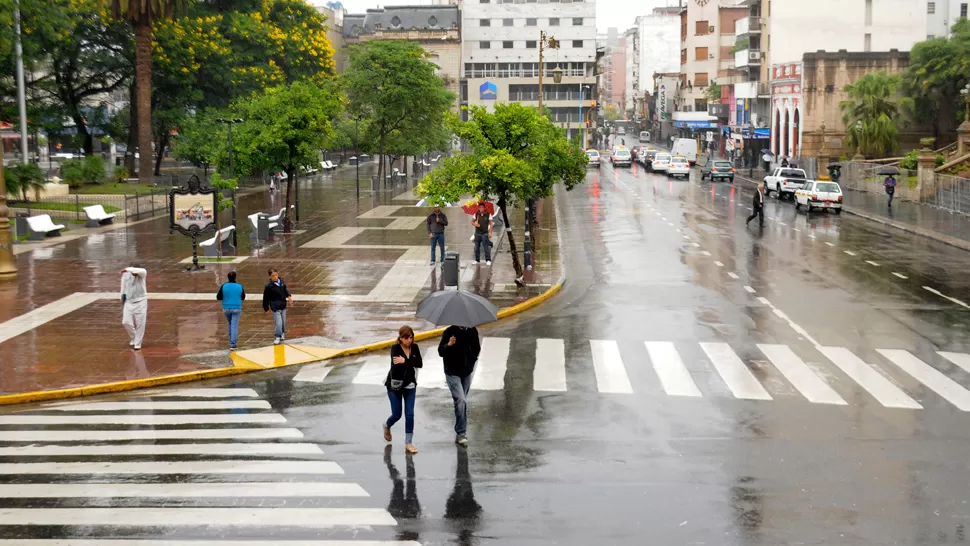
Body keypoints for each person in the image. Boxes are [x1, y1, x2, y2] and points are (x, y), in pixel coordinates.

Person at [438, 325, 481, 447]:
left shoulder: (472, 331)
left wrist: (471, 362)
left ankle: (460, 432)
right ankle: (461, 432)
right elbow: (440, 351)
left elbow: (476, 349)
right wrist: (449, 345)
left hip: (466, 372)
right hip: (452, 372)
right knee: (461, 401)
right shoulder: (449, 332)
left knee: (461, 402)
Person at [384, 325, 422, 454]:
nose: (409, 340)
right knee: (397, 414)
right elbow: (397, 367)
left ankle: (408, 442)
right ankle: (387, 425)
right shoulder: (395, 348)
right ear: (400, 338)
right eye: (406, 338)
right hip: (395, 386)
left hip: (410, 386)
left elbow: (420, 363)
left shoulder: (415, 347)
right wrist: (411, 361)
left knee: (410, 414)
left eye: (411, 337)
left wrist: (405, 361)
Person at [120, 265, 148, 350]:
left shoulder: (142, 274)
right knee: (126, 322)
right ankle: (134, 337)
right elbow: (123, 287)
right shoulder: (126, 275)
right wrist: (122, 297)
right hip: (129, 301)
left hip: (141, 302)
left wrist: (130, 269)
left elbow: (143, 271)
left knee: (140, 323)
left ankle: (138, 343)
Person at [262, 268, 292, 345]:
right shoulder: (269, 287)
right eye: (273, 276)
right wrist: (266, 308)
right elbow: (265, 298)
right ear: (270, 277)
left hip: (283, 305)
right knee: (278, 323)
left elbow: (285, 290)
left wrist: (289, 296)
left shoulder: (281, 282)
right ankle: (277, 336)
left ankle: (282, 333)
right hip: (275, 307)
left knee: (283, 322)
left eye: (276, 275)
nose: (275, 277)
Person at [216, 271, 246, 350]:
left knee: (230, 323)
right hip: (236, 307)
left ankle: (231, 338)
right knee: (234, 325)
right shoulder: (239, 286)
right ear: (235, 277)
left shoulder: (224, 286)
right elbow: (243, 297)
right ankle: (233, 344)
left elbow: (218, 297)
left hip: (226, 308)